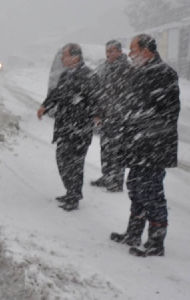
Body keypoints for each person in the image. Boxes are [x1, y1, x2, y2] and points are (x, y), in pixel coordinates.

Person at [110, 34, 180, 257]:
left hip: (154, 146)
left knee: (152, 192)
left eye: (133, 51)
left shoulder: (164, 74)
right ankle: (133, 233)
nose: (130, 56)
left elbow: (167, 112)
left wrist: (138, 122)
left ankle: (156, 243)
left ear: (147, 51)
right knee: (135, 187)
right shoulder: (139, 72)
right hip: (138, 144)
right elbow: (131, 104)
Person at [37, 44, 101, 211]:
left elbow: (97, 100)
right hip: (65, 126)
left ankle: (74, 196)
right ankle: (70, 191)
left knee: (75, 164)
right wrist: (45, 106)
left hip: (80, 128)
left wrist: (95, 114)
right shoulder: (66, 75)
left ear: (75, 57)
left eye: (64, 56)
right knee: (62, 160)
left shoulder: (89, 76)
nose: (62, 59)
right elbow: (56, 94)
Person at [90, 40, 132, 192]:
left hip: (119, 117)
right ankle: (106, 176)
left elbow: (126, 94)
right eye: (107, 51)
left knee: (117, 150)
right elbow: (101, 93)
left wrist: (121, 112)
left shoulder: (125, 68)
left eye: (112, 51)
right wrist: (97, 112)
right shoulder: (106, 68)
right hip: (106, 115)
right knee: (105, 147)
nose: (108, 54)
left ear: (119, 52)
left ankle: (116, 181)